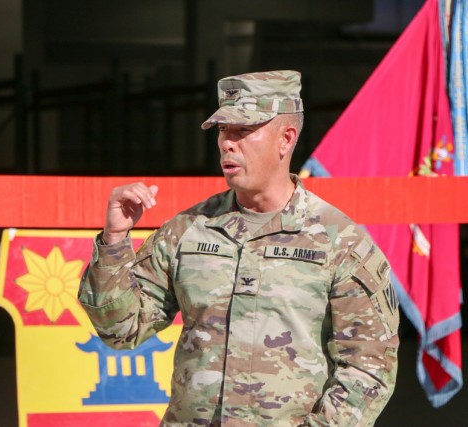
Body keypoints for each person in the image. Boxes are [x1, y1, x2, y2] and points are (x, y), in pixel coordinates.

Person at [78, 70, 399, 426]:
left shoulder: (339, 241)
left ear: (286, 138)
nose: (228, 143)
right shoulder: (188, 230)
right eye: (222, 130)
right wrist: (114, 240)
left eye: (243, 131)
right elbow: (121, 330)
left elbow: (368, 369)